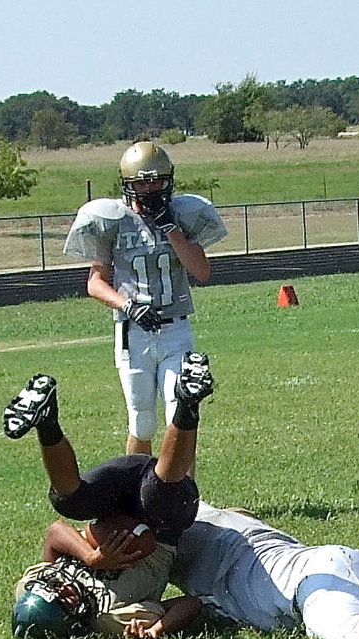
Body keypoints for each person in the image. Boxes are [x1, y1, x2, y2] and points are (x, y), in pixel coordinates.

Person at [4, 351, 216, 639]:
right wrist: (156, 629)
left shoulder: (30, 588)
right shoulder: (108, 618)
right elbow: (191, 604)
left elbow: (55, 531)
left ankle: (47, 423)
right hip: (160, 524)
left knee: (68, 501)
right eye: (62, 600)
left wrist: (92, 557)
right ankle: (187, 404)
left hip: (114, 501)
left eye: (53, 588)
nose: (61, 588)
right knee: (158, 495)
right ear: (73, 622)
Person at [64, 141, 228, 456]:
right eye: (143, 181)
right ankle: (136, 497)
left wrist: (170, 228)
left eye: (157, 180)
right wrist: (128, 306)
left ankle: (182, 499)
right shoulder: (112, 219)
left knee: (180, 416)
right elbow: (96, 283)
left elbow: (201, 271)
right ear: (129, 183)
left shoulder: (182, 215)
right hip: (133, 332)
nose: (151, 188)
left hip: (175, 329)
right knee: (141, 422)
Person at [168, 502, 359, 639]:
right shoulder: (197, 514)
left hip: (310, 582)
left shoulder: (163, 536)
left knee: (353, 635)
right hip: (340, 559)